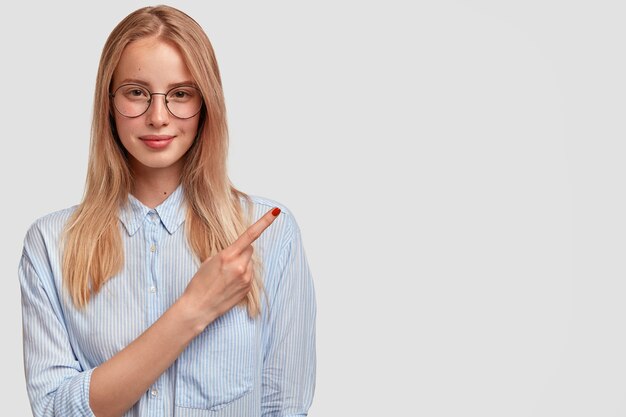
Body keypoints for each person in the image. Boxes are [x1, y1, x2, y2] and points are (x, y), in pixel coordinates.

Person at [18, 5, 316, 417]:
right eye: (137, 92)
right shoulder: (50, 244)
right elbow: (55, 410)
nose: (158, 117)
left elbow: (284, 407)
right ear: (109, 102)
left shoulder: (271, 234)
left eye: (180, 94)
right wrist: (192, 310)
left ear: (205, 104)